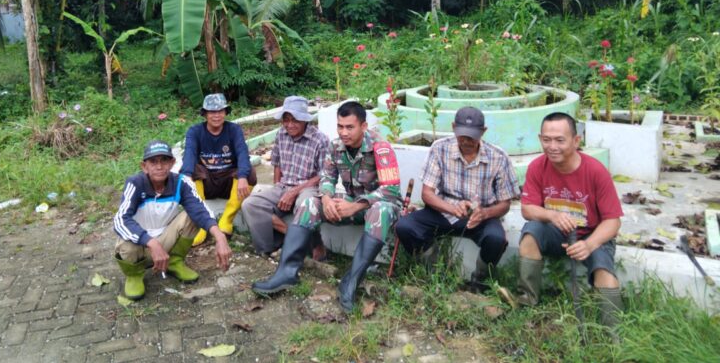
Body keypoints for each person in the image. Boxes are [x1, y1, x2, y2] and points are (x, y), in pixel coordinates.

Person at [251, 101, 402, 313]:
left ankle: (350, 282)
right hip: (349, 202)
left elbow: (391, 190)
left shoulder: (381, 148)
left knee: (381, 210)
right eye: (340, 126)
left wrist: (355, 206)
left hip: (376, 207)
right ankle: (287, 272)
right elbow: (327, 178)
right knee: (309, 202)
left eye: (350, 127)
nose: (344, 132)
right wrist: (328, 198)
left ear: (364, 127)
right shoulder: (335, 146)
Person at [516, 112, 624, 327]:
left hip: (592, 235)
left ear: (576, 141)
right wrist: (551, 215)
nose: (552, 146)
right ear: (540, 139)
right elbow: (527, 209)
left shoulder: (595, 171)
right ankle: (527, 303)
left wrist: (589, 244)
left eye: (560, 140)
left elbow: (613, 221)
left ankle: (614, 334)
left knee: (604, 272)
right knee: (530, 233)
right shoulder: (538, 166)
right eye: (546, 140)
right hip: (556, 233)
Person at [395, 107, 520, 291]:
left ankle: (479, 280)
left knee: (496, 239)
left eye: (472, 136)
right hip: (444, 210)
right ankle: (434, 270)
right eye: (462, 135)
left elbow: (504, 204)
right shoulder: (440, 148)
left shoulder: (498, 157)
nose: (467, 141)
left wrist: (485, 213)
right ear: (454, 128)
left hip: (480, 216)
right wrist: (452, 209)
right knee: (405, 227)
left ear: (483, 131)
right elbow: (427, 194)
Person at [113, 140, 232, 300]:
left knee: (192, 217)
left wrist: (220, 237)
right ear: (144, 166)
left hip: (166, 239)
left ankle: (174, 261)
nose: (159, 166)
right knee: (126, 241)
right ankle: (134, 275)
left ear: (172, 163)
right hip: (140, 246)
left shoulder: (180, 182)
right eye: (153, 161)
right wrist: (151, 243)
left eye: (164, 160)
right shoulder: (135, 183)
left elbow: (199, 209)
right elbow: (121, 220)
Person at [240, 96, 329, 260]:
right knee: (251, 204)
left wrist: (294, 191)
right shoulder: (281, 134)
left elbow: (323, 175)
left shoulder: (320, 139)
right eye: (286, 120)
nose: (289, 124)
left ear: (304, 120)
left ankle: (311, 243)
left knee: (306, 204)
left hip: (308, 187)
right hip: (284, 185)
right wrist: (277, 189)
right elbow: (277, 163)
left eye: (294, 120)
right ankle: (272, 247)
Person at [180, 93, 256, 245]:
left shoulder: (234, 130)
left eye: (220, 111)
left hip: (228, 182)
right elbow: (189, 154)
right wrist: (186, 176)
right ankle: (200, 225)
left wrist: (242, 176)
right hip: (206, 182)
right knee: (191, 170)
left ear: (225, 113)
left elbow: (242, 153)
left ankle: (226, 219)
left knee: (249, 172)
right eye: (212, 112)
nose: (216, 115)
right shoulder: (195, 132)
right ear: (205, 114)